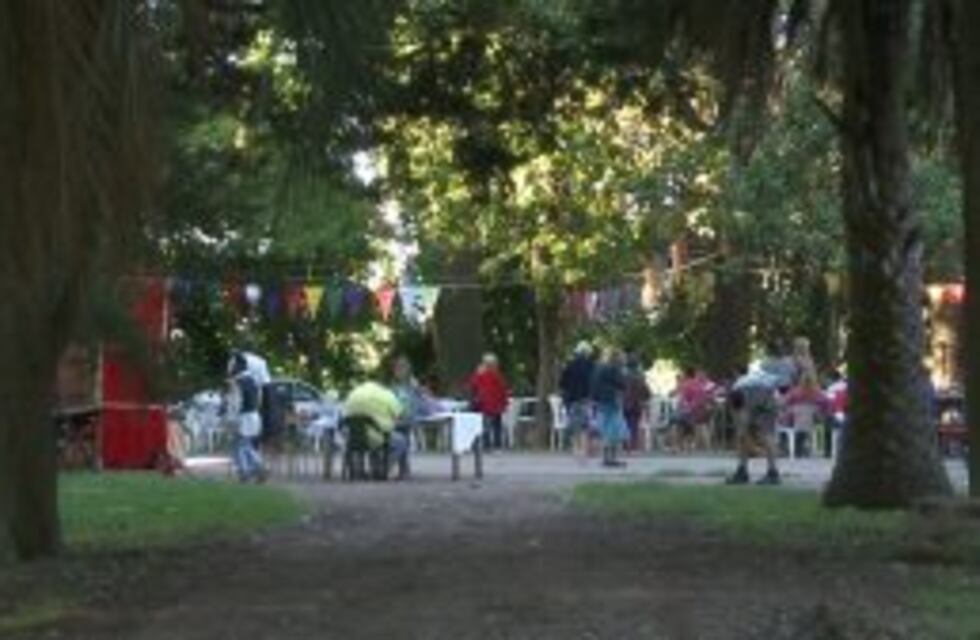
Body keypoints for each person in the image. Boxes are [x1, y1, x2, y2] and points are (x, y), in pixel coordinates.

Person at [726, 366, 781, 485]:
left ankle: (742, 472)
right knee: (767, 434)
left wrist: (750, 444)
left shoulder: (736, 390)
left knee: (742, 434)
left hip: (754, 393)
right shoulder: (745, 382)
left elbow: (740, 424)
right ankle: (773, 473)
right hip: (772, 393)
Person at [343, 380, 410, 479]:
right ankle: (382, 468)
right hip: (378, 437)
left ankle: (362, 470)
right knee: (402, 442)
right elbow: (400, 414)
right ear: (381, 385)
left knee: (372, 441)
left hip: (354, 437)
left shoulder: (353, 394)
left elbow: (345, 416)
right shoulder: (386, 394)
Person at [225, 354, 267, 483]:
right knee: (245, 444)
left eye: (231, 364)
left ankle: (249, 470)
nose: (229, 367)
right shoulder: (253, 380)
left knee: (241, 446)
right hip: (254, 416)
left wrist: (231, 420)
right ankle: (253, 468)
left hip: (243, 417)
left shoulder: (237, 383)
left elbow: (235, 403)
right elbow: (259, 400)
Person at [590, 347, 629, 468]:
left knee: (606, 429)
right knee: (613, 430)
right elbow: (622, 384)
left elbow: (594, 385)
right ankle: (611, 458)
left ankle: (606, 458)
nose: (623, 360)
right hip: (612, 400)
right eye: (622, 358)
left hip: (601, 402)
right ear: (616, 358)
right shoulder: (615, 369)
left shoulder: (599, 368)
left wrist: (595, 400)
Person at [559, 341, 596, 458]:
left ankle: (576, 449)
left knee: (575, 424)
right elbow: (594, 382)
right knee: (586, 424)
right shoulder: (592, 365)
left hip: (572, 399)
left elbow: (562, 383)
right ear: (588, 353)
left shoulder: (570, 364)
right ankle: (585, 449)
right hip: (586, 398)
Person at [468, 353, 510, 451]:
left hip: (485, 405)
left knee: (487, 425)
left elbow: (472, 386)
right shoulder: (497, 375)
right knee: (495, 425)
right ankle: (496, 445)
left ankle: (488, 445)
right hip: (494, 405)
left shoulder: (481, 375)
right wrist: (504, 403)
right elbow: (503, 389)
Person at [671, 367, 716, 451]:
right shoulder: (700, 385)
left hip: (686, 410)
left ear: (686, 374)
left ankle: (677, 446)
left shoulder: (685, 385)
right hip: (698, 410)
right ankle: (695, 447)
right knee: (695, 427)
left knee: (677, 425)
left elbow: (683, 399)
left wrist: (685, 407)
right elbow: (702, 397)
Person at [623, 355, 652, 451]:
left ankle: (626, 443)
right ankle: (633, 444)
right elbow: (647, 392)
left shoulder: (624, 376)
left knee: (626, 423)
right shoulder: (640, 377)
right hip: (636, 404)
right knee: (634, 424)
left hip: (625, 403)